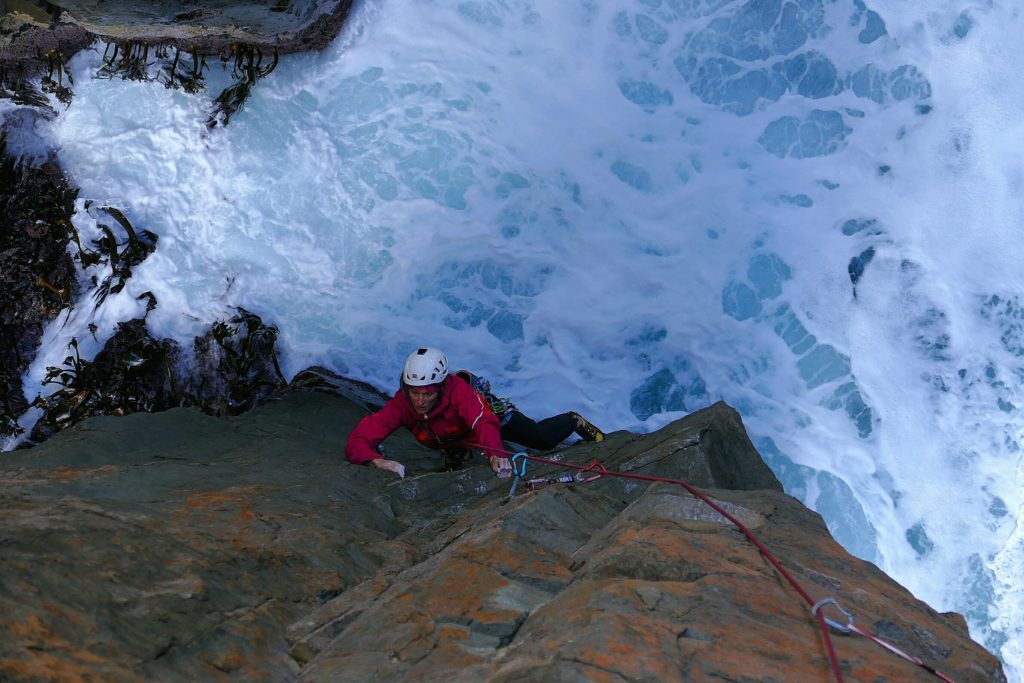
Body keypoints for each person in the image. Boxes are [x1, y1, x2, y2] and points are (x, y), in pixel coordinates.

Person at [345, 347, 511, 478]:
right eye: (415, 393)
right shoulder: (401, 404)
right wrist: (375, 462)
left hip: (500, 423)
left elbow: (483, 421)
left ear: (440, 389)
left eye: (428, 394)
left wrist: (496, 453)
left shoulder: (459, 392)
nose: (420, 401)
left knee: (535, 436)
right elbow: (359, 439)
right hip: (454, 443)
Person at [454, 369, 605, 451]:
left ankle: (574, 421)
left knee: (543, 440)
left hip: (504, 421)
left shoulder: (454, 390)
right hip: (486, 423)